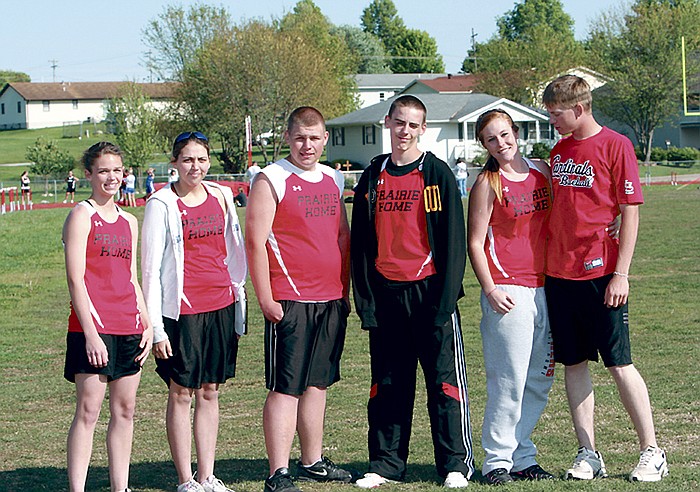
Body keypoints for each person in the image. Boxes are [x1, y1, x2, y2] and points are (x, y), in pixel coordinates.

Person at [542, 75, 667, 482]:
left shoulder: (617, 145)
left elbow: (630, 210)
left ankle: (652, 450)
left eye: (557, 114)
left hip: (602, 275)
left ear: (578, 109)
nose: (552, 122)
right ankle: (588, 452)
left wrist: (621, 273)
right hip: (560, 275)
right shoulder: (559, 150)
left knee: (619, 363)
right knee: (574, 363)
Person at [351, 95, 475, 489]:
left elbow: (452, 240)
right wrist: (366, 301)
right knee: (388, 384)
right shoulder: (372, 176)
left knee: (444, 384)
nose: (404, 131)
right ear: (387, 122)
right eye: (398, 122)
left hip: (430, 297)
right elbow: (359, 244)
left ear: (423, 129)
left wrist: (444, 300)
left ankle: (455, 463)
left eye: (412, 125)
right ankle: (387, 463)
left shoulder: (435, 173)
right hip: (387, 297)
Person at [246, 107, 353, 492]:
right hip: (290, 300)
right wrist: (266, 298)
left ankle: (312, 461)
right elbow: (255, 243)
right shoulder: (270, 179)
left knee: (318, 384)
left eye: (315, 138)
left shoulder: (334, 178)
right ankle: (278, 471)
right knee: (286, 387)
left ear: (325, 139)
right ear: (288, 138)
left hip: (330, 300)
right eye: (300, 138)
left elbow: (343, 237)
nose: (307, 146)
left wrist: (345, 290)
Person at [141, 131, 247, 492]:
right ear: (174, 164)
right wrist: (157, 328)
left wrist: (238, 297)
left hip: (220, 307)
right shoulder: (161, 203)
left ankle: (207, 475)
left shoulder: (221, 195)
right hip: (181, 313)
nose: (195, 166)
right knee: (181, 392)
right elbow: (151, 270)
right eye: (187, 160)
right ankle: (186, 480)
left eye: (201, 159)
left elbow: (233, 248)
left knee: (210, 391)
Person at [467, 109, 555, 485]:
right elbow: (475, 242)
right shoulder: (488, 183)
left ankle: (522, 455)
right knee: (509, 380)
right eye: (491, 139)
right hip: (509, 291)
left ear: (516, 133)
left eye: (505, 135)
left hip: (547, 288)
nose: (501, 144)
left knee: (539, 379)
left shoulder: (543, 170)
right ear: (483, 145)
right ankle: (497, 461)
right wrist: (490, 288)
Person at [63, 141, 153, 492]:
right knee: (88, 413)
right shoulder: (81, 215)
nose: (111, 177)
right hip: (94, 330)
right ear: (89, 174)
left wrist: (146, 323)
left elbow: (131, 276)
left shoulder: (130, 221)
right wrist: (90, 333)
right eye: (103, 171)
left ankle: (121, 486)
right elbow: (75, 278)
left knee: (125, 411)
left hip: (128, 326)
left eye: (117, 170)